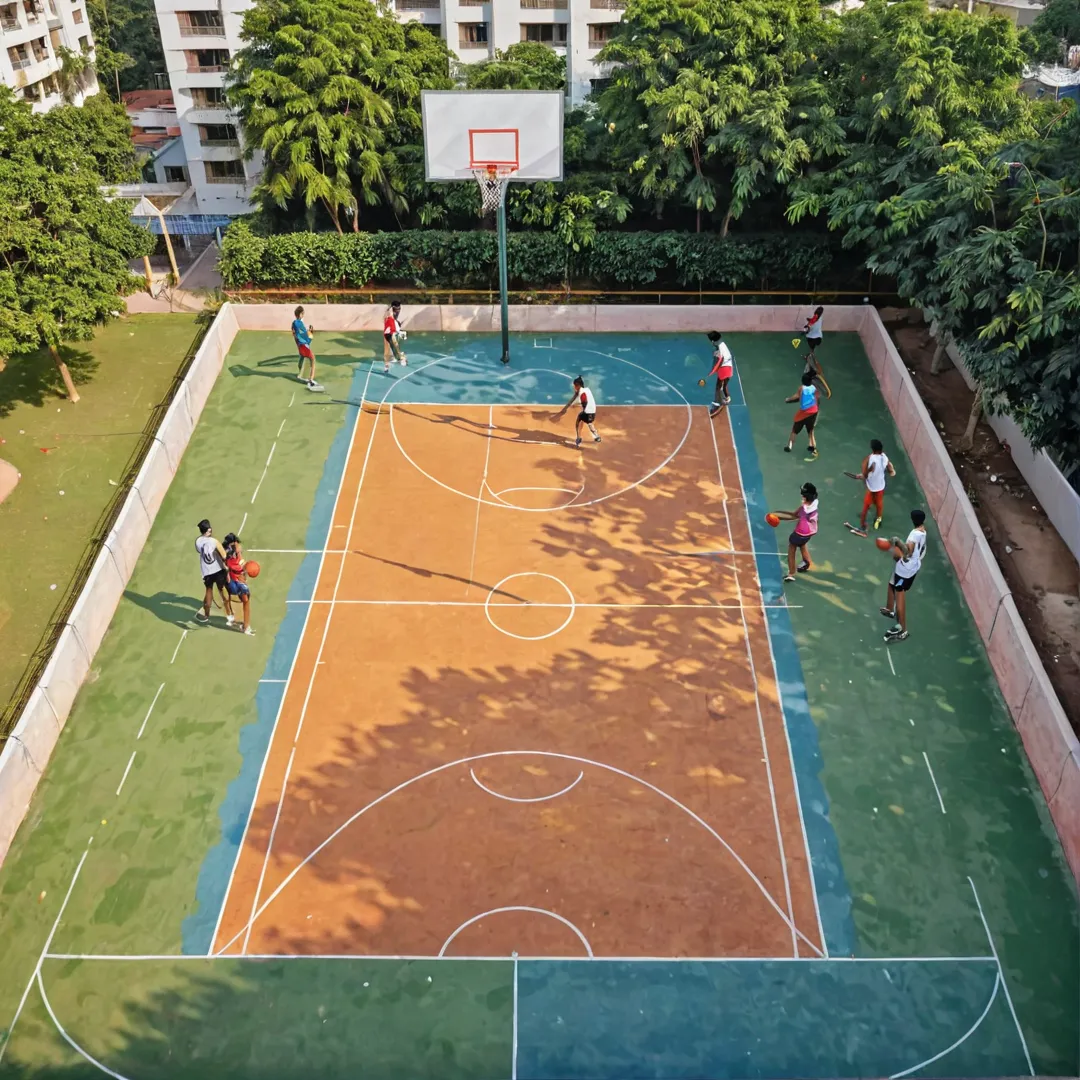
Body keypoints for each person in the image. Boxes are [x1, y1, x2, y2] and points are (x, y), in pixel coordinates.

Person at [881, 509, 927, 642]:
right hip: (912, 567)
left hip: (905, 570)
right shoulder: (922, 532)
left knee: (900, 599)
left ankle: (903, 630)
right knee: (891, 583)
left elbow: (908, 551)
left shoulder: (914, 535)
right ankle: (890, 609)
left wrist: (898, 542)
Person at [773, 482, 819, 582]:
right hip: (808, 535)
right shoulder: (814, 507)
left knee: (791, 550)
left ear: (806, 496)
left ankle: (791, 573)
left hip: (799, 533)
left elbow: (793, 515)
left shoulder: (804, 509)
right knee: (802, 545)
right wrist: (781, 513)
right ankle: (807, 562)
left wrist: (779, 516)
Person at [194, 519, 234, 625]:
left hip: (207, 571)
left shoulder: (198, 541)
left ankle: (206, 616)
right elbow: (224, 556)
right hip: (218, 569)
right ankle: (230, 615)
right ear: (209, 530)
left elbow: (200, 550)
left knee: (209, 590)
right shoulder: (214, 541)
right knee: (222, 590)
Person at [858, 438, 897, 531]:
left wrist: (865, 473)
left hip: (871, 489)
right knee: (879, 505)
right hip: (880, 488)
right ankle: (878, 520)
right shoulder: (884, 457)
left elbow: (865, 475)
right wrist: (891, 471)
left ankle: (862, 525)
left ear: (872, 449)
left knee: (865, 507)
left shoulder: (868, 459)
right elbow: (890, 468)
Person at [223, 532, 254, 636]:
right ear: (232, 544)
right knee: (245, 600)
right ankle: (245, 627)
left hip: (236, 579)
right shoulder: (230, 556)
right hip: (235, 581)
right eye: (236, 543)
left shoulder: (233, 552)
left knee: (244, 600)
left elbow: (240, 563)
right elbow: (239, 567)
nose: (238, 545)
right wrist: (247, 568)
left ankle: (243, 624)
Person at [557, 376, 601, 447]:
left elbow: (584, 401)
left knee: (579, 420)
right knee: (588, 422)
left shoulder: (581, 392)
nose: (574, 387)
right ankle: (597, 436)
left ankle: (578, 438)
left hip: (587, 412)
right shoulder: (587, 389)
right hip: (593, 411)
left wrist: (574, 404)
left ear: (578, 385)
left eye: (575, 386)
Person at [784, 371, 820, 459]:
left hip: (803, 413)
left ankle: (790, 446)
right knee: (811, 431)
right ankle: (812, 447)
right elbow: (817, 399)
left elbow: (796, 397)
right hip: (813, 412)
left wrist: (788, 400)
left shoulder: (801, 388)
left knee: (794, 430)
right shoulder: (815, 388)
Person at [291, 306, 323, 392]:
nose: (303, 315)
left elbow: (296, 335)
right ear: (300, 314)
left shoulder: (294, 324)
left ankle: (300, 375)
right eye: (303, 314)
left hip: (299, 345)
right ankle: (311, 380)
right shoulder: (299, 324)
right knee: (312, 359)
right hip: (303, 345)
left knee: (301, 357)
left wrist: (308, 333)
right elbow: (304, 336)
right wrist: (311, 334)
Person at [706, 331, 734, 417]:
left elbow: (720, 361)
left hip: (724, 369)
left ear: (713, 341)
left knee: (719, 387)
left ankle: (718, 405)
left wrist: (713, 371)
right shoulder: (722, 345)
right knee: (724, 385)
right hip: (729, 368)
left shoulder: (720, 348)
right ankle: (727, 398)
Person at [383, 301, 407, 374]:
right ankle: (399, 359)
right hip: (388, 332)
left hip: (393, 331)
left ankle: (399, 357)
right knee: (388, 349)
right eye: (397, 309)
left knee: (395, 344)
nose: (399, 310)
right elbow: (388, 317)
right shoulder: (389, 313)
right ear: (393, 308)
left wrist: (397, 323)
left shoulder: (395, 313)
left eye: (399, 308)